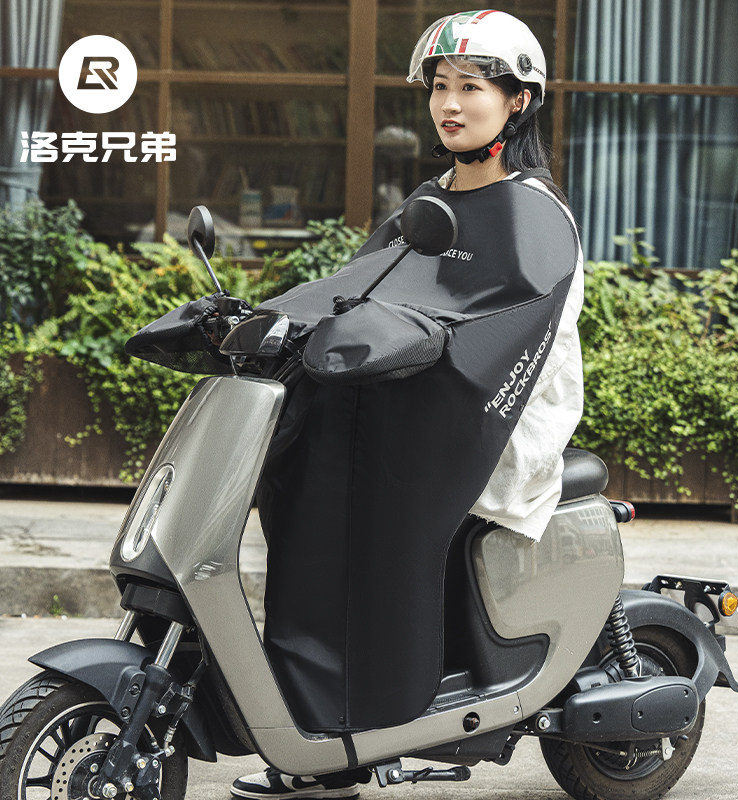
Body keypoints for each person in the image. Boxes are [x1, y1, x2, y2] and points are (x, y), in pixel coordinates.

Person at [231, 9, 584, 799]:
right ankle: (319, 726)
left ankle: (381, 714)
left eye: (471, 87)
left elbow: (500, 327)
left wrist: (406, 340)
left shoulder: (534, 211)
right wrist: (266, 319)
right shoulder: (430, 197)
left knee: (378, 499)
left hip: (494, 413)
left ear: (519, 100)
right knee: (305, 478)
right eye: (439, 87)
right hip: (405, 393)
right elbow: (360, 288)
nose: (448, 104)